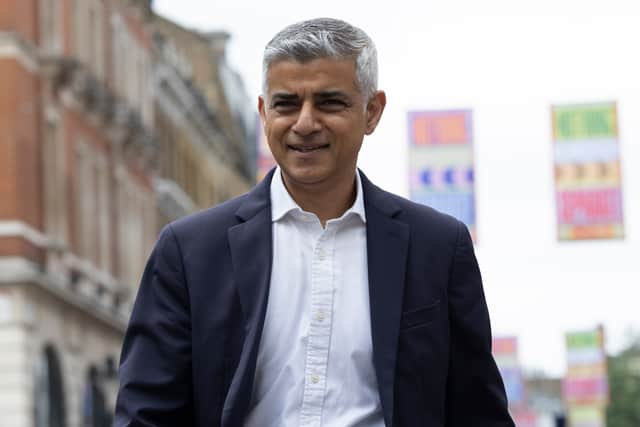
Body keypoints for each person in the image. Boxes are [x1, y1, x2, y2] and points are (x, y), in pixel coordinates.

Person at [114, 17, 514, 427]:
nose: (305, 123)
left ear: (372, 112)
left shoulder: (439, 248)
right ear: (264, 112)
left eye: (329, 102)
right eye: (286, 103)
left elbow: (477, 412)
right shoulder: (190, 251)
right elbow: (147, 414)